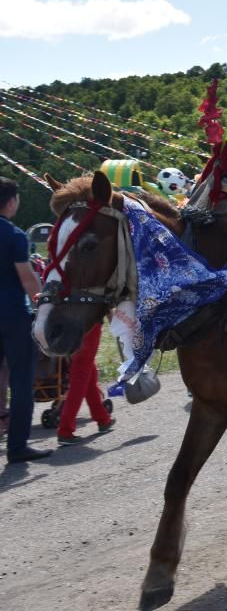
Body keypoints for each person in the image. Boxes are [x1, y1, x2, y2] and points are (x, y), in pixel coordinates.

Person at [0, 176, 53, 463]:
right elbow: (27, 280)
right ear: (11, 202)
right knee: (21, 382)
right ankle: (18, 447)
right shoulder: (14, 235)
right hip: (13, 317)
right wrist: (46, 302)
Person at [56, 323, 116, 445]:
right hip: (88, 321)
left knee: (88, 371)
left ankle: (103, 419)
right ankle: (65, 430)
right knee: (81, 373)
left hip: (69, 322)